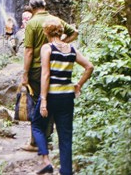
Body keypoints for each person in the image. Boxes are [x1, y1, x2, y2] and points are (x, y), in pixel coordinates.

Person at [32, 17, 93, 174]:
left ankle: (46, 160)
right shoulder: (72, 49)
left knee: (37, 124)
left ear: (46, 32)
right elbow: (89, 66)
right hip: (67, 97)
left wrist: (43, 100)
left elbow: (45, 75)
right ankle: (66, 172)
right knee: (65, 137)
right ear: (60, 31)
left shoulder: (48, 48)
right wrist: (78, 84)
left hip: (51, 95)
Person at [21, 0, 78, 151]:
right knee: (49, 101)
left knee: (36, 103)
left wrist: (25, 73)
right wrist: (62, 45)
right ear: (44, 6)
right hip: (54, 66)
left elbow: (29, 51)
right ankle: (48, 139)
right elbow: (74, 32)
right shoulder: (55, 19)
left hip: (36, 69)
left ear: (32, 8)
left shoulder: (31, 23)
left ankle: (35, 142)